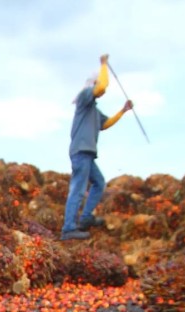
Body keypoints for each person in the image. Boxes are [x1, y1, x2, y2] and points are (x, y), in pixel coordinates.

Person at [60, 54, 133, 241]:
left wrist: (123, 111)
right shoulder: (84, 97)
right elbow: (101, 86)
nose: (101, 92)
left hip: (88, 154)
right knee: (78, 188)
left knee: (99, 182)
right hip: (80, 152)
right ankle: (68, 228)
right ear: (92, 84)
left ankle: (85, 218)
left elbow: (105, 124)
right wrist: (103, 66)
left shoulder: (93, 109)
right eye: (97, 86)